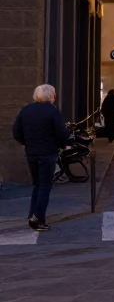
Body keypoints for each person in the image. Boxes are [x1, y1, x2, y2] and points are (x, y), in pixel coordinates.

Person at [12, 84, 69, 232]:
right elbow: (61, 133)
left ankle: (32, 214)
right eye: (54, 94)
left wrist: (28, 143)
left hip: (31, 153)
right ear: (50, 96)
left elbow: (16, 132)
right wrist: (63, 145)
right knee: (45, 186)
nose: (55, 97)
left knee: (37, 185)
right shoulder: (53, 111)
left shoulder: (26, 110)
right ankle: (38, 218)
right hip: (47, 153)